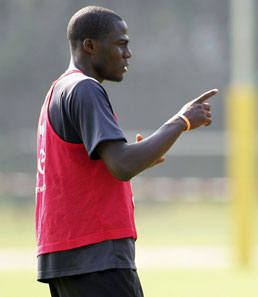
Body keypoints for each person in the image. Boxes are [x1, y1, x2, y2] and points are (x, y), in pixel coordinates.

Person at [35, 6, 218, 297]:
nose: (128, 54)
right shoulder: (85, 89)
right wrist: (181, 121)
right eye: (121, 44)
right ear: (90, 46)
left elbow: (106, 162)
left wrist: (142, 155)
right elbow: (122, 165)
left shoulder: (58, 90)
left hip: (67, 256)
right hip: (95, 254)